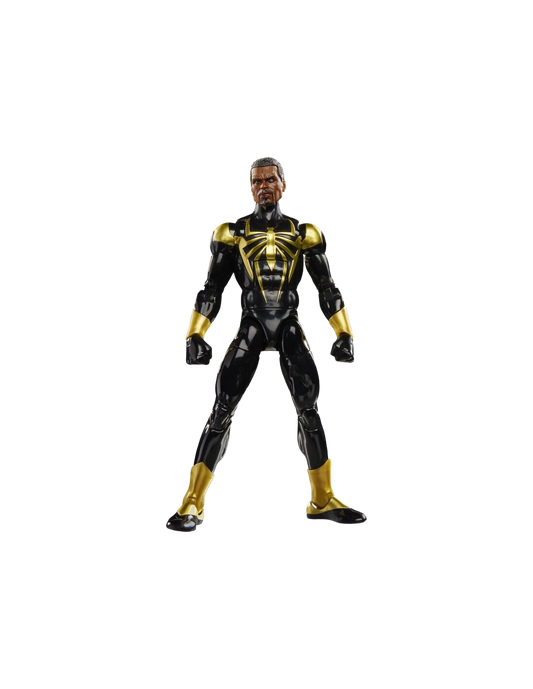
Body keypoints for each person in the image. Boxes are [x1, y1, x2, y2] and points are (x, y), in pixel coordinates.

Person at [163, 154, 369, 534]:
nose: (263, 187)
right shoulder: (231, 232)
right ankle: (192, 501)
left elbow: (327, 287)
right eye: (256, 181)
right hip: (253, 322)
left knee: (309, 409)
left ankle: (322, 498)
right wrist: (195, 334)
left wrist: (344, 333)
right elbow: (212, 288)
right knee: (222, 408)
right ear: (249, 189)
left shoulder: (305, 232)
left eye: (270, 180)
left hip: (289, 323)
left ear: (284, 186)